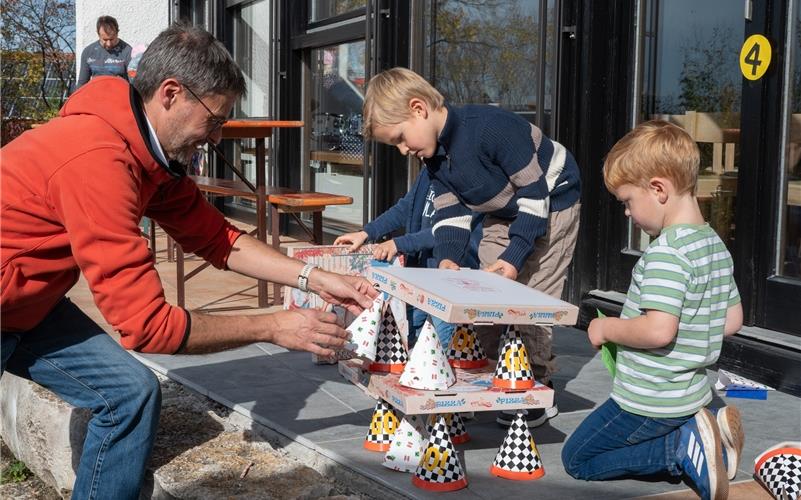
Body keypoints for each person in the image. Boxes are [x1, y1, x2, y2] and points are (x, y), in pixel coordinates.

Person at [0, 24, 376, 499]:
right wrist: (274, 326)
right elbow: (148, 327)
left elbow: (218, 237)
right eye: (214, 121)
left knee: (129, 393)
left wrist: (314, 276)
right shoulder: (98, 160)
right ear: (172, 94)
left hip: (29, 301)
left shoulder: (149, 153)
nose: (216, 137)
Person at [361, 67, 581, 427]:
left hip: (552, 202)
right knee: (487, 298)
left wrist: (513, 258)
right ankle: (494, 374)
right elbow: (451, 217)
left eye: (401, 138)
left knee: (530, 298)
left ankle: (536, 385)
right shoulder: (434, 161)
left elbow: (534, 196)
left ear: (419, 109)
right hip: (502, 209)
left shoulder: (492, 128)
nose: (403, 150)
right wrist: (448, 259)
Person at [560, 121, 745, 500]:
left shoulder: (667, 254)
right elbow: (732, 320)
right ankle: (705, 441)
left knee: (578, 458)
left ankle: (681, 449)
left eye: (627, 201)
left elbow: (659, 330)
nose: (627, 213)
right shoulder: (713, 245)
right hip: (691, 394)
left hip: (651, 400)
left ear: (658, 189)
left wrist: (608, 328)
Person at [334, 166, 482, 348]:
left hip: (448, 285)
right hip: (418, 280)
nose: (405, 149)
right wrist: (366, 232)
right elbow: (406, 208)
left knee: (441, 352)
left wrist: (399, 243)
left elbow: (451, 232)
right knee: (408, 341)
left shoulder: (470, 174)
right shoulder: (430, 169)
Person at [76, 15, 132, 88]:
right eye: (105, 40)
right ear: (98, 34)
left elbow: (133, 83)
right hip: (96, 96)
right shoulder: (88, 52)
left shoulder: (128, 51)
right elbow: (82, 83)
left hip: (119, 95)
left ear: (117, 33)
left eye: (112, 39)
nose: (109, 44)